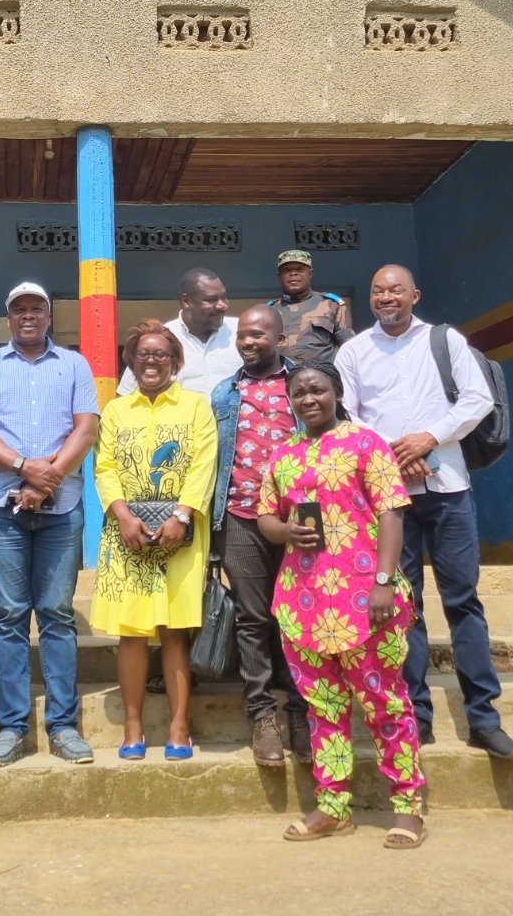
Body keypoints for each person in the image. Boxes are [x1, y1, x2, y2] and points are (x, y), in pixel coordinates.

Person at [335, 264, 513, 759]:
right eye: (377, 290)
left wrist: (428, 441)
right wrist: (395, 459)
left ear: (414, 294)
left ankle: (484, 716)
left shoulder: (445, 340)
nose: (386, 297)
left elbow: (478, 399)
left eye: (395, 289)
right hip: (389, 498)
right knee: (403, 607)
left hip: (449, 490)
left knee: (463, 601)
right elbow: (349, 417)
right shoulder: (353, 351)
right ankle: (417, 716)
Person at [255, 360, 426, 847]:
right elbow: (267, 515)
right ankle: (333, 807)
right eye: (300, 392)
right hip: (303, 601)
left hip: (365, 599)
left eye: (318, 390)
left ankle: (407, 806)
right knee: (323, 709)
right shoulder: (282, 454)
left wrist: (384, 582)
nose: (309, 399)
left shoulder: (365, 442)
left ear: (336, 393)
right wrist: (286, 531)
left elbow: (392, 513)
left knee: (386, 705)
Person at [0, 281, 100, 768]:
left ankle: (63, 726)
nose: (27, 316)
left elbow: (86, 428)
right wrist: (24, 467)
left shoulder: (74, 365)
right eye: (18, 309)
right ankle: (11, 727)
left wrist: (48, 479)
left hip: (60, 507)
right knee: (10, 618)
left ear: (48, 316)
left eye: (36, 309)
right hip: (2, 506)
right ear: (7, 317)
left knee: (58, 616)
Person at [92, 319, 218, 760]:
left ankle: (179, 727)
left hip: (179, 534)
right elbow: (104, 467)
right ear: (132, 361)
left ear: (175, 361)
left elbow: (204, 463)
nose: (151, 361)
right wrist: (123, 517)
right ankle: (132, 728)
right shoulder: (115, 411)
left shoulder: (195, 406)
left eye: (160, 354)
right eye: (142, 354)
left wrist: (182, 515)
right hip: (127, 535)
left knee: (173, 632)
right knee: (131, 633)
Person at [208, 306, 310, 766]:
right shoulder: (223, 394)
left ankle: (304, 712)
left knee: (300, 616)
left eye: (258, 335)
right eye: (242, 336)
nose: (248, 342)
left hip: (301, 519)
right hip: (240, 517)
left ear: (280, 337)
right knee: (252, 616)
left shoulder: (304, 389)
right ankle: (262, 715)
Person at [118, 267, 242, 397]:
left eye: (224, 297)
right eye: (211, 300)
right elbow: (125, 395)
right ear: (186, 301)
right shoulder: (162, 340)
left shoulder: (240, 332)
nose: (222, 305)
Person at [269, 249, 353, 367]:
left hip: (322, 379)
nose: (293, 274)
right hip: (283, 380)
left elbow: (349, 348)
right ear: (279, 276)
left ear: (310, 273)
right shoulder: (269, 311)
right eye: (287, 270)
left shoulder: (331, 305)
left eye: (300, 269)